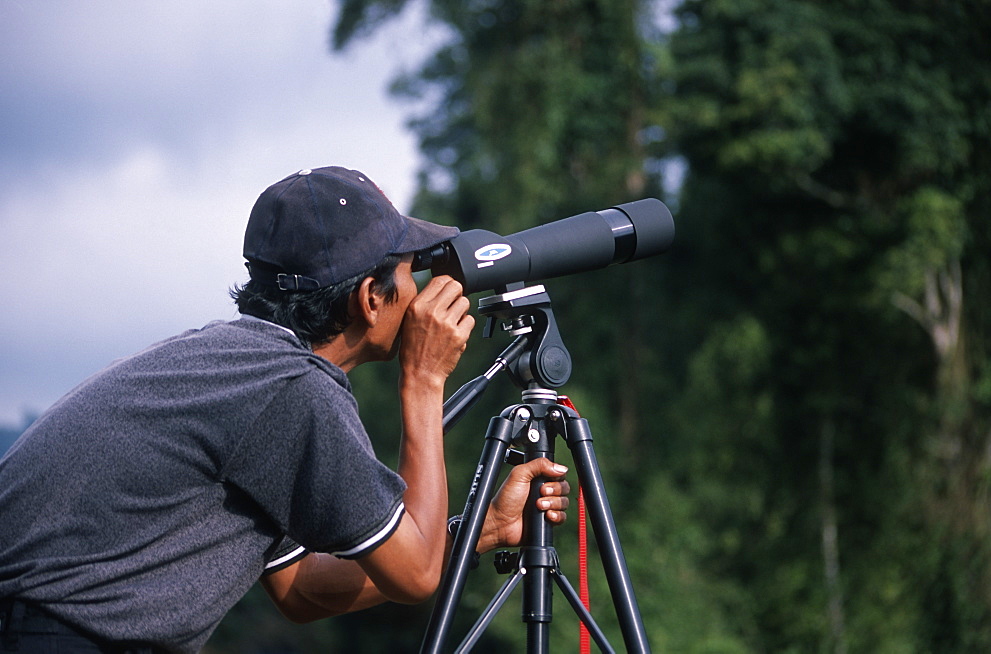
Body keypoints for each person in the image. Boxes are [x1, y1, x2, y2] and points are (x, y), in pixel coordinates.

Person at [0, 166, 571, 653]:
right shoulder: (292, 387)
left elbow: (303, 588)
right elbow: (417, 575)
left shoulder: (237, 362)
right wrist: (423, 380)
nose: (420, 288)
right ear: (371, 300)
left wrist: (486, 529)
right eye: (407, 269)